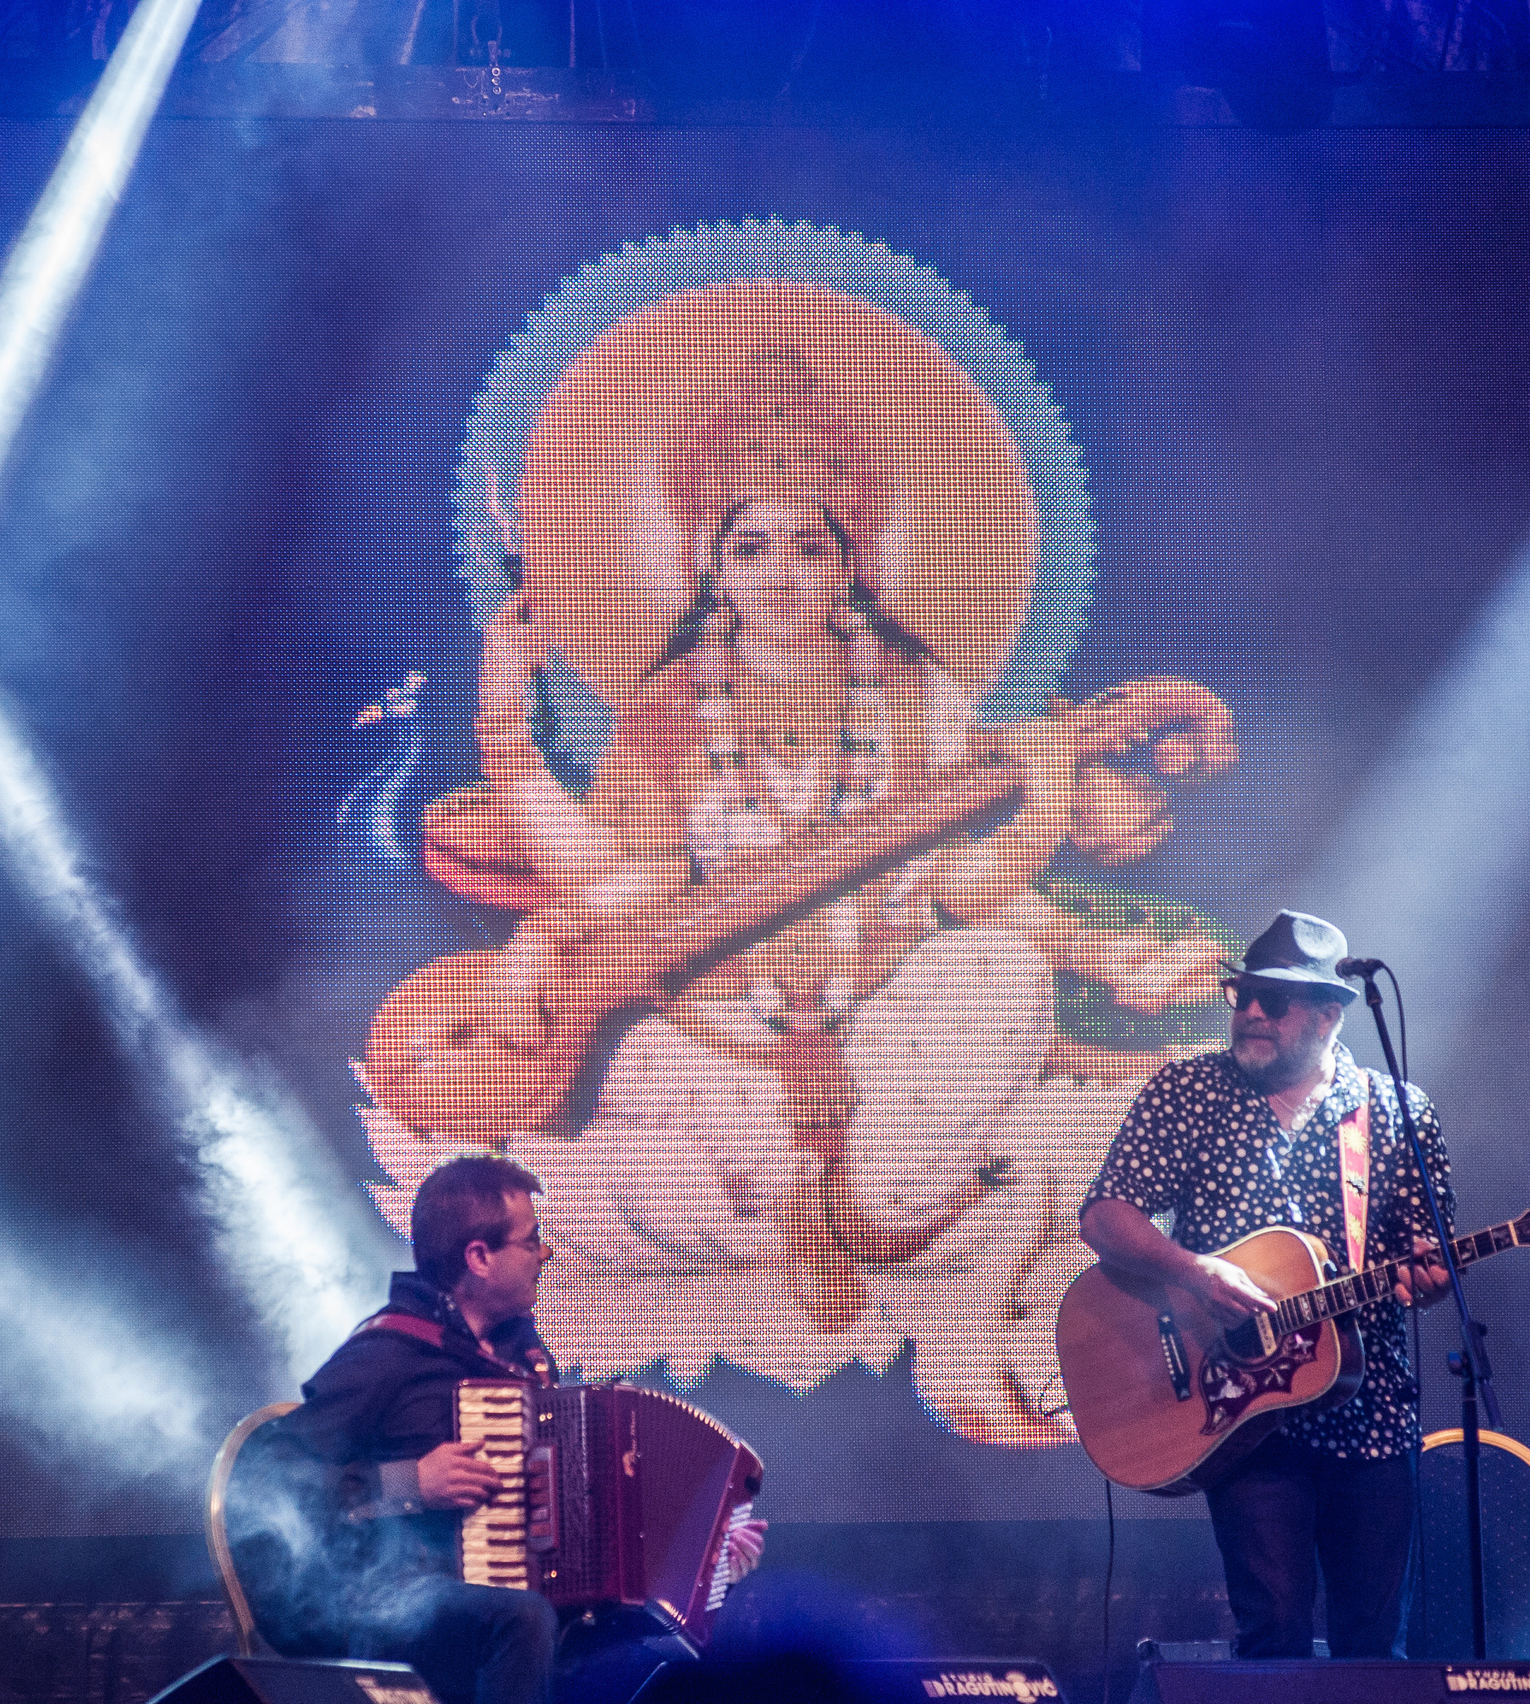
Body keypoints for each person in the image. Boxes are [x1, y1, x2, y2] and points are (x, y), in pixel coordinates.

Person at [369, 314, 1238, 1442]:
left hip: (881, 1012)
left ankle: (852, 1208)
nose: (782, 573)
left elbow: (962, 892)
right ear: (710, 568)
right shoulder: (671, 708)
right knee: (617, 1088)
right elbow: (612, 887)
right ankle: (866, 1208)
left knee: (1001, 978)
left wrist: (1091, 932)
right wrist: (507, 728)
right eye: (752, 548)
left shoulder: (915, 694)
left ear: (851, 562)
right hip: (713, 1031)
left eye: (809, 546)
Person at [230, 1154, 763, 1704]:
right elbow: (267, 1478)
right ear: (480, 1257)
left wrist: (703, 1557)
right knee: (523, 1620)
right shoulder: (387, 1356)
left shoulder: (523, 1355)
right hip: (385, 1606)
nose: (546, 1253)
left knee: (649, 1642)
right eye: (531, 1241)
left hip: (500, 1609)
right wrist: (409, 1484)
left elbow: (582, 1509)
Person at [1076, 912, 1454, 1659]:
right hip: (1241, 1413)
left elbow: (1429, 1261)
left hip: (1369, 1408)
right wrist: (1194, 1270)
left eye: (1271, 1001)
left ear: (1328, 1012)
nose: (1249, 1012)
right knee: (1275, 1627)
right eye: (1241, 994)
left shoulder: (1398, 1113)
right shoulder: (1188, 1093)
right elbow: (1106, 1215)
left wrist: (1430, 1277)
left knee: (1373, 1646)